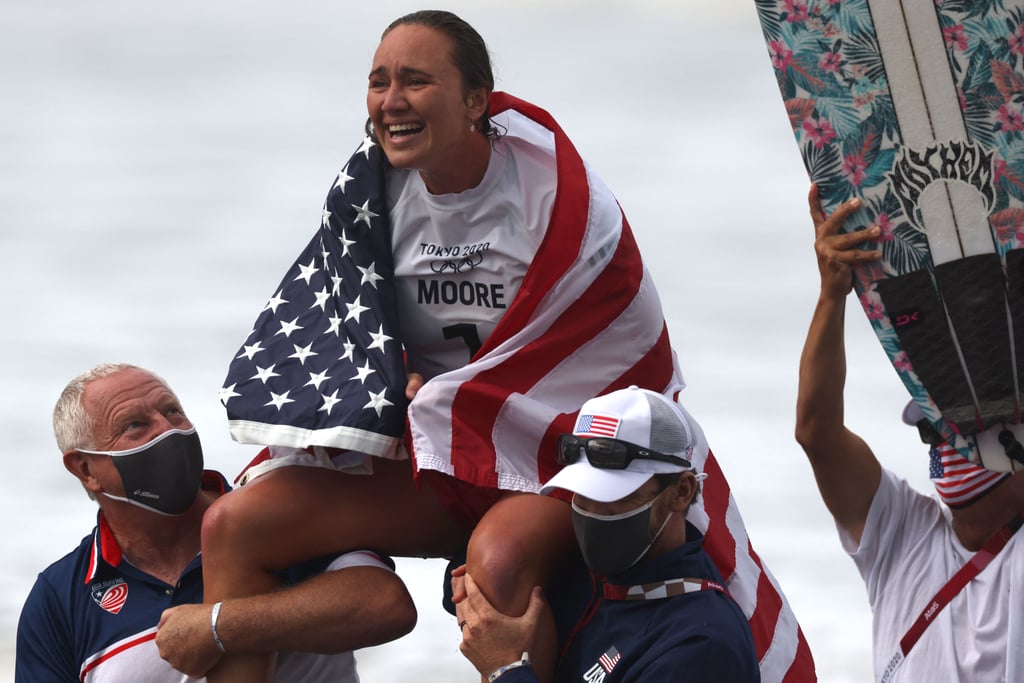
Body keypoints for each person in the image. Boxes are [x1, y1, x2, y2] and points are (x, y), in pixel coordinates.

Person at [204, 10, 813, 682]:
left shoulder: (558, 196)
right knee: (234, 524)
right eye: (378, 82)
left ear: (475, 101)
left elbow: (621, 352)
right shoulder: (371, 198)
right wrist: (407, 385)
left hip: (563, 455)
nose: (391, 101)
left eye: (414, 80)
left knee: (496, 559)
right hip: (445, 454)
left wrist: (453, 397)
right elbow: (349, 346)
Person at [15, 363, 416, 682]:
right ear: (86, 469)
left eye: (173, 411)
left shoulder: (278, 512)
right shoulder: (59, 598)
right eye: (136, 425)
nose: (169, 430)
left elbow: (386, 605)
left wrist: (218, 626)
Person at [795, 185, 1024, 682]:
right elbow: (817, 432)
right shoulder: (901, 537)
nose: (946, 443)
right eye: (932, 430)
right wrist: (832, 294)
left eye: (962, 427)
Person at [453, 386, 760, 682]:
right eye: (581, 494)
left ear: (681, 492)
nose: (592, 514)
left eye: (614, 496)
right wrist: (471, 587)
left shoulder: (701, 646)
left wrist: (506, 671)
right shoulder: (583, 577)